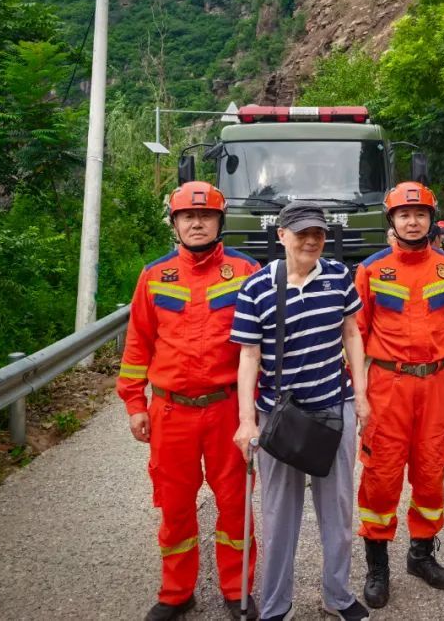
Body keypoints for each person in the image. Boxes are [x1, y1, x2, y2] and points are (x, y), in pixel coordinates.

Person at [117, 181, 261, 621]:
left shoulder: (246, 271)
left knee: (235, 505)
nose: (196, 222)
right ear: (175, 224)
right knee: (175, 507)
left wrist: (255, 410)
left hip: (227, 411)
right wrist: (135, 404)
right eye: (187, 217)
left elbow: (263, 346)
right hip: (170, 411)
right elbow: (138, 345)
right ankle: (177, 592)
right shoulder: (154, 275)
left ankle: (237, 591)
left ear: (220, 222)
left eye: (205, 216)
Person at [232, 202, 372, 621]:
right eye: (301, 233)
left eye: (318, 233)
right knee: (278, 517)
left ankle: (338, 595)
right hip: (281, 418)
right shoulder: (256, 288)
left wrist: (361, 395)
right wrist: (245, 420)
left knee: (338, 511)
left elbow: (352, 332)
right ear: (282, 236)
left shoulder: (338, 278)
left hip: (335, 408)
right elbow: (248, 356)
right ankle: (276, 605)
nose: (311, 240)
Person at [355, 182, 444, 609]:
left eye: (420, 214)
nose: (412, 220)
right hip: (387, 387)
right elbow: (356, 334)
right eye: (404, 214)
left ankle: (421, 554)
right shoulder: (370, 270)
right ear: (392, 220)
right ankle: (378, 566)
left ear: (429, 219)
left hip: (435, 386)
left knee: (430, 474)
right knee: (381, 479)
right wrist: (358, 391)